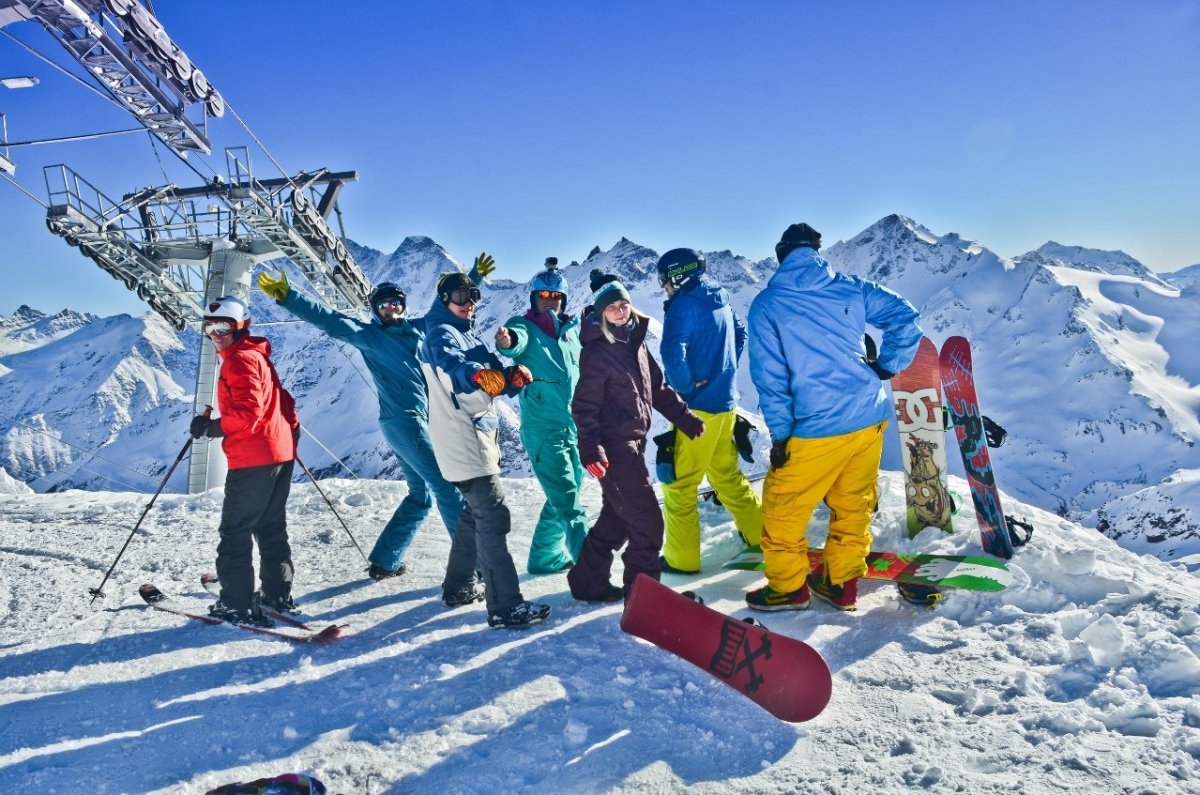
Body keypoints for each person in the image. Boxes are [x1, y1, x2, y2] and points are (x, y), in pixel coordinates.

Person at [256, 255, 496, 580]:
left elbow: (447, 310)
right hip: (405, 422)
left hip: (408, 424)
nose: (391, 308)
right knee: (445, 487)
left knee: (420, 495)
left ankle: (385, 560)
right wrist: (289, 295)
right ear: (376, 310)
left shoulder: (417, 330)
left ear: (403, 305)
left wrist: (473, 280)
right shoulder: (370, 336)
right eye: (384, 305)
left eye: (396, 303)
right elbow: (331, 320)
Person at [745, 222, 922, 612]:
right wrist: (888, 366)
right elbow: (907, 317)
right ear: (817, 251)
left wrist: (781, 436)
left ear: (780, 255)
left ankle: (788, 590)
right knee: (853, 502)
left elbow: (770, 377)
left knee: (783, 510)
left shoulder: (767, 305)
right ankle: (842, 583)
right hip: (868, 416)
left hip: (815, 426)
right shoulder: (851, 287)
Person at [420, 268, 551, 628]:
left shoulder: (468, 333)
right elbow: (456, 366)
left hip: (475, 437)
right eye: (461, 298)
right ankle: (505, 606)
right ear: (445, 300)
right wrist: (477, 375)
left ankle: (458, 587)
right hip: (463, 442)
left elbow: (494, 379)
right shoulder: (441, 334)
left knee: (473, 516)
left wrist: (513, 378)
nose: (469, 304)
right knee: (492, 515)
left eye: (474, 296)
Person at [568, 269, 705, 602]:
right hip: (614, 451)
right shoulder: (598, 352)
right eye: (611, 307)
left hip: (633, 443)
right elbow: (583, 407)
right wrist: (592, 448)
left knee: (616, 520)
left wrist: (684, 417)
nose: (620, 311)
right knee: (647, 522)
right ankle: (643, 597)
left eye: (623, 304)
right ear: (600, 313)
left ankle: (587, 582)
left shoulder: (635, 343)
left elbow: (656, 388)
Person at [190, 296, 300, 627]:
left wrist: (212, 427)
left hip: (253, 459)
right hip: (279, 454)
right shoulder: (258, 356)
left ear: (241, 326)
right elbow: (285, 403)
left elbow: (248, 412)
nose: (215, 333)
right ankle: (277, 593)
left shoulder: (238, 361)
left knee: (235, 531)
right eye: (208, 326)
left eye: (222, 326)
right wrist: (287, 439)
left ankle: (236, 603)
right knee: (270, 526)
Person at [655, 247, 762, 574]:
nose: (664, 288)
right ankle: (762, 536)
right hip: (726, 406)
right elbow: (740, 334)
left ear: (677, 275)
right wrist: (723, 372)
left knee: (679, 487)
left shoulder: (683, 305)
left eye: (664, 280)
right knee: (726, 476)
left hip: (698, 412)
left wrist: (685, 387)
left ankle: (681, 560)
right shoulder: (720, 298)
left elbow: (671, 352)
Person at [494, 257, 587, 574]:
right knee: (570, 504)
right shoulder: (525, 327)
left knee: (564, 494)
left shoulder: (570, 332)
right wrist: (507, 342)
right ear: (534, 299)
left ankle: (544, 558)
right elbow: (513, 342)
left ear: (563, 300)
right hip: (544, 430)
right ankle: (593, 571)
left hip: (573, 427)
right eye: (543, 297)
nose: (549, 303)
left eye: (555, 297)